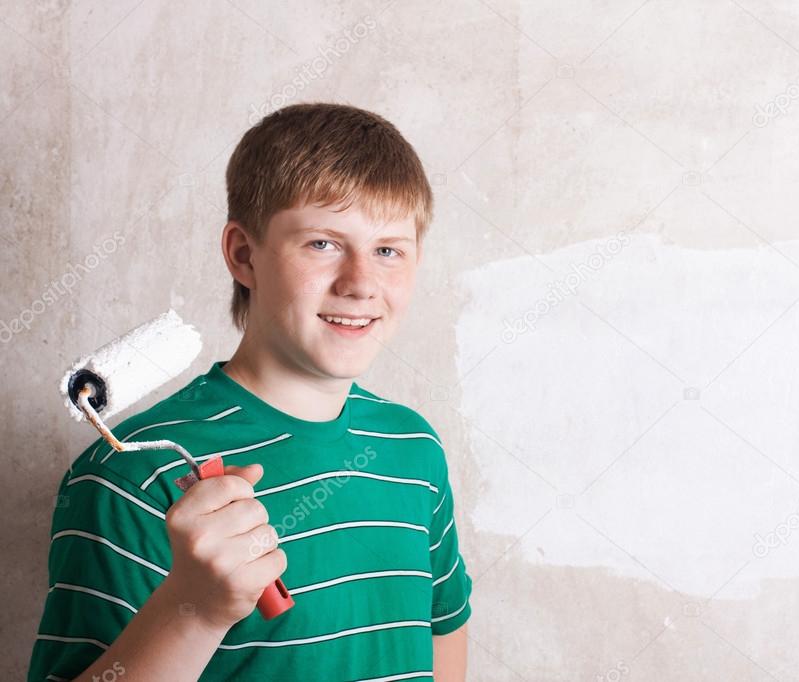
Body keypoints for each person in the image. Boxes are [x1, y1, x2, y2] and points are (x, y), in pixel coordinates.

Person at [28, 103, 472, 681]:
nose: (361, 282)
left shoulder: (413, 449)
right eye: (323, 244)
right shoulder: (129, 479)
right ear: (244, 254)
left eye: (388, 250)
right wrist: (194, 610)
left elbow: (445, 635)